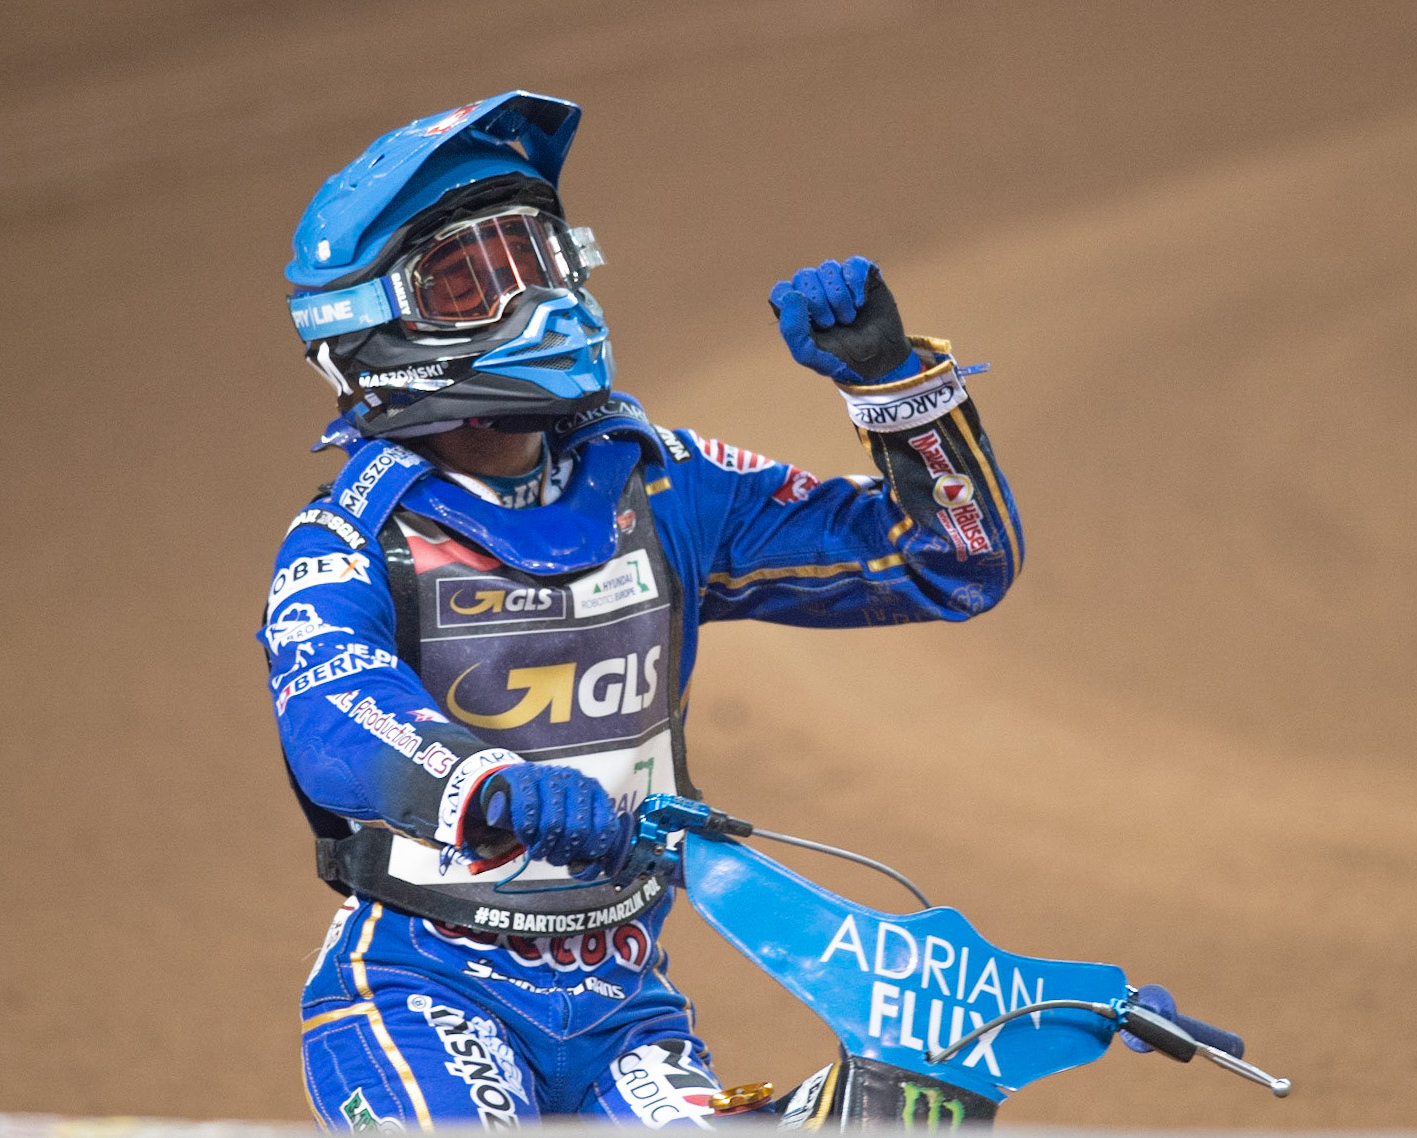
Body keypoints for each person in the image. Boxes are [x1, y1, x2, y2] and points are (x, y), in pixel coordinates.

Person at [262, 90, 1022, 1130]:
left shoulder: (666, 485)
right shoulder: (351, 537)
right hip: (421, 987)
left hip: (624, 1006)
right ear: (373, 326)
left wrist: (894, 390)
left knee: (881, 1116)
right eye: (475, 279)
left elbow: (950, 563)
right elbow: (334, 716)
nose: (543, 301)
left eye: (542, 257)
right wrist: (492, 786)